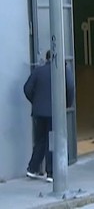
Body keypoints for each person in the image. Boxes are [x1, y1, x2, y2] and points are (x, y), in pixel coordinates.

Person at [24, 50, 75, 183]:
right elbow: (70, 87)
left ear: (46, 58)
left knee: (40, 140)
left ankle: (32, 168)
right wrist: (67, 104)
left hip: (39, 113)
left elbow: (27, 88)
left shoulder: (38, 71)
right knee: (52, 142)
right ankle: (51, 172)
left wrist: (35, 102)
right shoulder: (63, 70)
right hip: (55, 113)